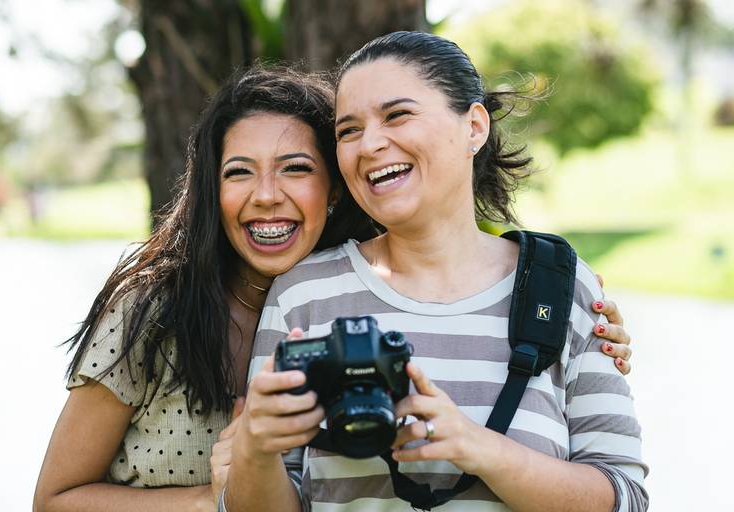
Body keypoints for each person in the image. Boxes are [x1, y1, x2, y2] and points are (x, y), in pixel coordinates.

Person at [33, 66, 631, 512]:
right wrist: (221, 493)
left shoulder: (341, 292)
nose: (267, 195)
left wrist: (556, 301)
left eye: (296, 168)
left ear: (337, 185)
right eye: (238, 172)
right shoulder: (159, 311)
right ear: (212, 192)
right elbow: (55, 499)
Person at [226, 32, 648, 512]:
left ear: (474, 127)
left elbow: (625, 498)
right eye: (348, 131)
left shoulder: (559, 289)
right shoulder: (303, 294)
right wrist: (255, 451)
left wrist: (480, 448)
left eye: (396, 115)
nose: (370, 144)